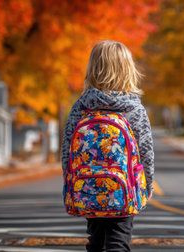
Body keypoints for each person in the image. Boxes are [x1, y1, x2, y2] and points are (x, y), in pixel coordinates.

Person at [61, 40, 154, 252]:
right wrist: (147, 185)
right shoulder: (134, 109)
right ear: (128, 70)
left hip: (87, 187)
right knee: (118, 242)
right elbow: (146, 153)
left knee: (96, 241)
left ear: (92, 69)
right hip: (123, 190)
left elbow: (67, 152)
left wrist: (71, 183)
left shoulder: (81, 106)